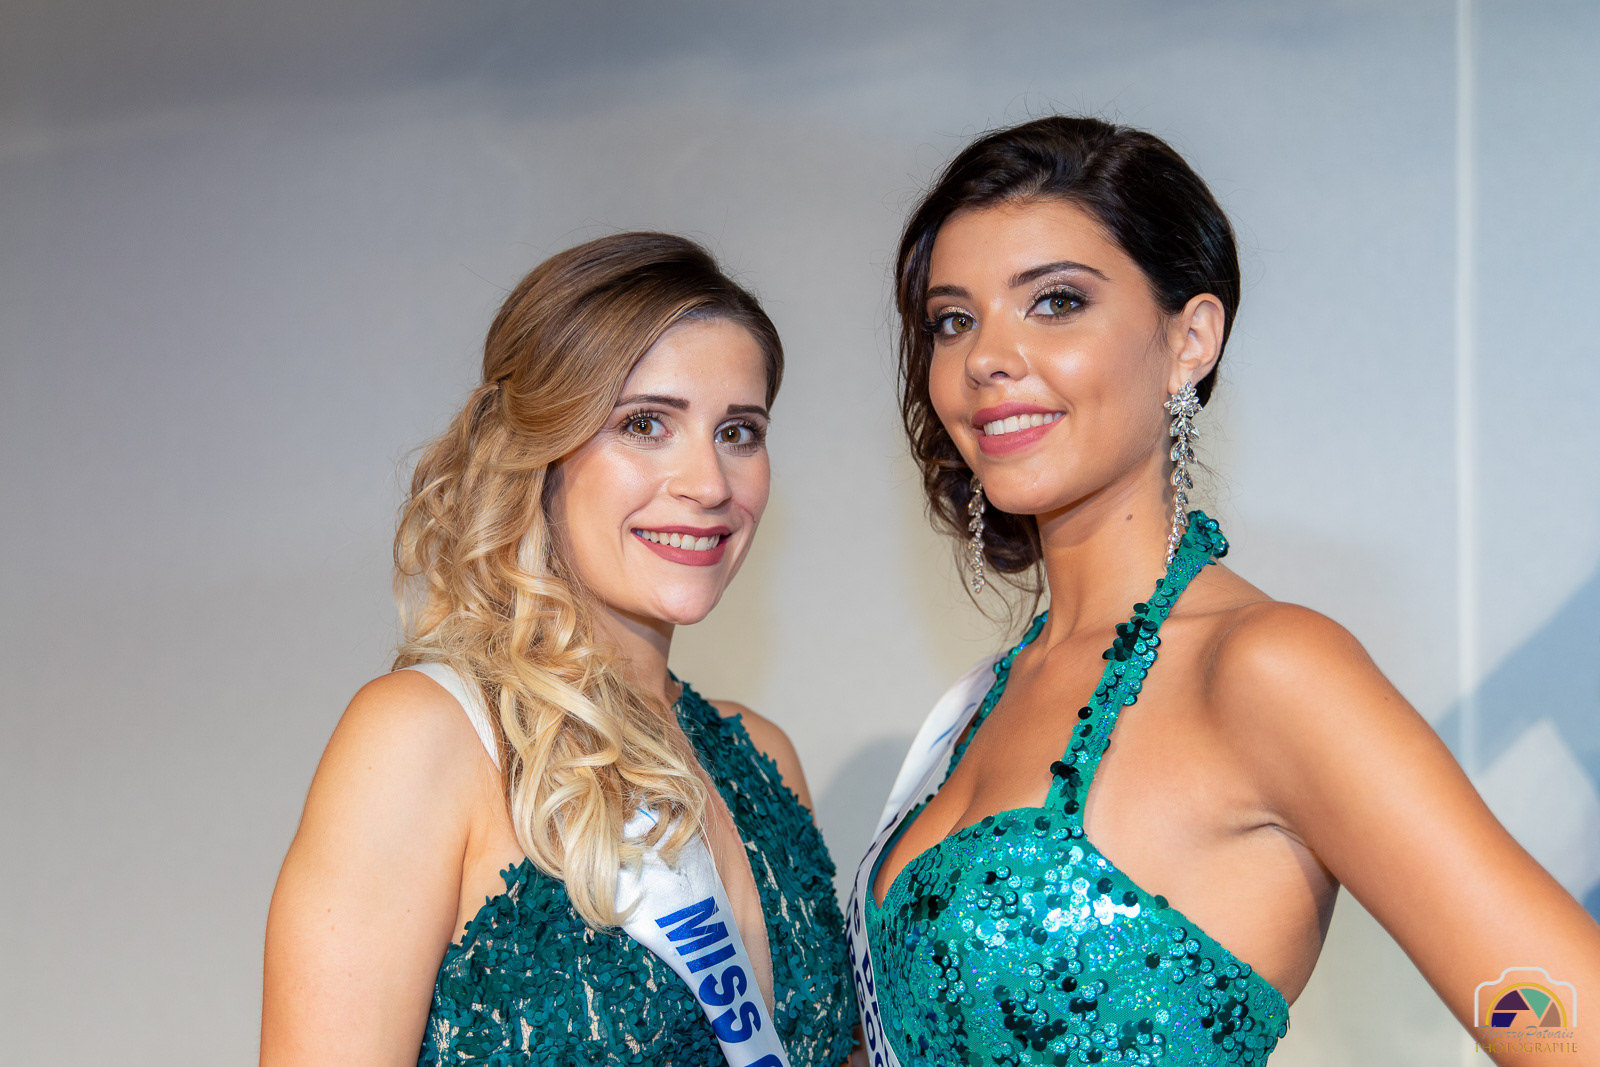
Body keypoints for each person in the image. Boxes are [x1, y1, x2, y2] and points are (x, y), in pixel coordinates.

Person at [846, 116, 1600, 1067]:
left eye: (1055, 302)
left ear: (1191, 338)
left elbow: (1566, 1020)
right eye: (954, 320)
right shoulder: (983, 701)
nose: (986, 357)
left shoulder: (1266, 668)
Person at [263, 232, 857, 1067]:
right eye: (645, 424)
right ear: (539, 450)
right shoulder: (422, 739)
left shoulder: (763, 759)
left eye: (739, 432)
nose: (709, 483)